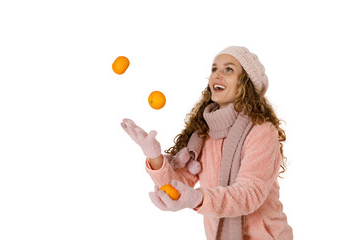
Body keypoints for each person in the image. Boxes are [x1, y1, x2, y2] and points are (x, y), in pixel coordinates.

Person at [121, 46, 293, 239]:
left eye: (228, 69)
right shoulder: (203, 134)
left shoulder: (261, 131)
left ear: (246, 83)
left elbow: (249, 194)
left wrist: (198, 198)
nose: (217, 75)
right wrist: (153, 156)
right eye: (214, 69)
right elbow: (176, 185)